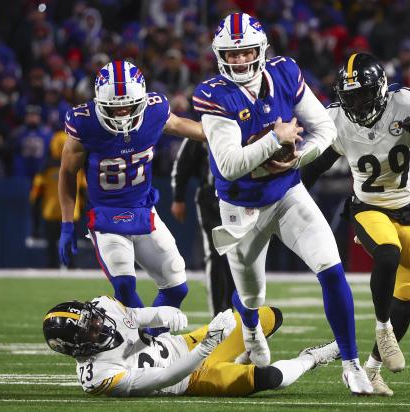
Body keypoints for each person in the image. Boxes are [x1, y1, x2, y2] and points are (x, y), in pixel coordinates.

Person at [192, 13, 372, 395]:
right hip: (241, 210)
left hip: (288, 194)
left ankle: (352, 363)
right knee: (251, 296)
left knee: (331, 268)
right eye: (231, 53)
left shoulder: (285, 72)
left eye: (245, 52)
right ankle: (253, 331)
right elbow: (229, 164)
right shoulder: (213, 94)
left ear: (260, 50)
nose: (239, 60)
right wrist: (275, 140)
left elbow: (324, 128)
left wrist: (297, 157)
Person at [301, 52, 410, 396]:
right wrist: (287, 199)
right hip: (368, 208)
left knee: (408, 296)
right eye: (350, 96)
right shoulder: (338, 121)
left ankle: (371, 369)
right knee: (388, 253)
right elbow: (314, 168)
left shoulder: (403, 103)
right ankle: (382, 329)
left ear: (381, 90)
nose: (356, 104)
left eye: (362, 94)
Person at [58, 60, 206, 326]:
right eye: (114, 108)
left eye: (128, 105)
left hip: (143, 211)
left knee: (177, 286)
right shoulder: (85, 123)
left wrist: (228, 134)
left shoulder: (155, 110)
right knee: (125, 287)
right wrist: (67, 224)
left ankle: (150, 342)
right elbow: (67, 173)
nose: (123, 113)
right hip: (105, 217)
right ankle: (145, 349)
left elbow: (187, 126)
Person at [42, 296, 339, 396]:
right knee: (269, 378)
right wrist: (208, 346)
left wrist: (161, 314)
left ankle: (243, 354)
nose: (99, 325)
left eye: (92, 320)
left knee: (269, 316)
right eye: (90, 331)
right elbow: (164, 377)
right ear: (77, 349)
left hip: (185, 343)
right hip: (190, 377)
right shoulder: (97, 376)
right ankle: (312, 358)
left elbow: (132, 316)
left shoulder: (102, 306)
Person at [170, 139, 236, 316]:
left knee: (238, 254)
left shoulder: (244, 121)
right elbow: (183, 164)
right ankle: (219, 313)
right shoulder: (202, 128)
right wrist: (178, 198)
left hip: (240, 198)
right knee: (216, 254)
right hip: (211, 199)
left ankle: (238, 309)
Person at [29, 131, 86, 268]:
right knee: (71, 243)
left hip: (51, 210)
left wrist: (36, 210)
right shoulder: (77, 165)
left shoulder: (46, 167)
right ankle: (71, 266)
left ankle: (52, 266)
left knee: (51, 244)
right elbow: (84, 189)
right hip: (72, 212)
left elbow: (37, 192)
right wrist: (83, 207)